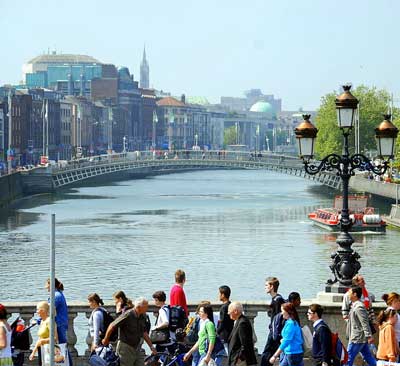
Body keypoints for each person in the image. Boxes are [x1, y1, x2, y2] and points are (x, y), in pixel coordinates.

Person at [102, 297, 156, 366]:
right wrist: (106, 339)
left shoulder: (143, 316)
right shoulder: (128, 315)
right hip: (125, 348)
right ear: (139, 307)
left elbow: (144, 332)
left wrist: (151, 347)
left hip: (137, 347)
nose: (147, 308)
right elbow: (112, 325)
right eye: (146, 306)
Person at [346, 287, 376, 366]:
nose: (348, 294)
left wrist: (369, 336)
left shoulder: (359, 307)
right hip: (360, 337)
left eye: (349, 292)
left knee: (347, 358)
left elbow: (364, 322)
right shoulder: (356, 305)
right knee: (368, 357)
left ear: (355, 294)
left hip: (357, 338)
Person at [261, 277, 285, 366]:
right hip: (275, 331)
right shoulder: (276, 299)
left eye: (266, 285)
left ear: (271, 287)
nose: (265, 287)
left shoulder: (277, 300)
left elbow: (278, 318)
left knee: (267, 354)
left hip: (275, 331)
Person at [227, 301, 257, 366]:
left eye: (229, 312)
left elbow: (245, 343)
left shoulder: (242, 323)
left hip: (240, 361)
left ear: (235, 311)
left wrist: (240, 358)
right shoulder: (239, 321)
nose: (228, 313)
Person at [46, 278, 68, 344]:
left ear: (51, 285)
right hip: (61, 322)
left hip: (59, 324)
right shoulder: (58, 294)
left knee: (61, 346)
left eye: (47, 284)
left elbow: (50, 310)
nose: (45, 287)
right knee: (62, 346)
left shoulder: (56, 296)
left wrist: (39, 320)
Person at [217, 286, 234, 355]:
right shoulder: (230, 304)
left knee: (228, 352)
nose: (218, 295)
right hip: (230, 332)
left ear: (223, 295)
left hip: (224, 334)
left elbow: (222, 322)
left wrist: (217, 331)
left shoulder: (224, 307)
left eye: (219, 294)